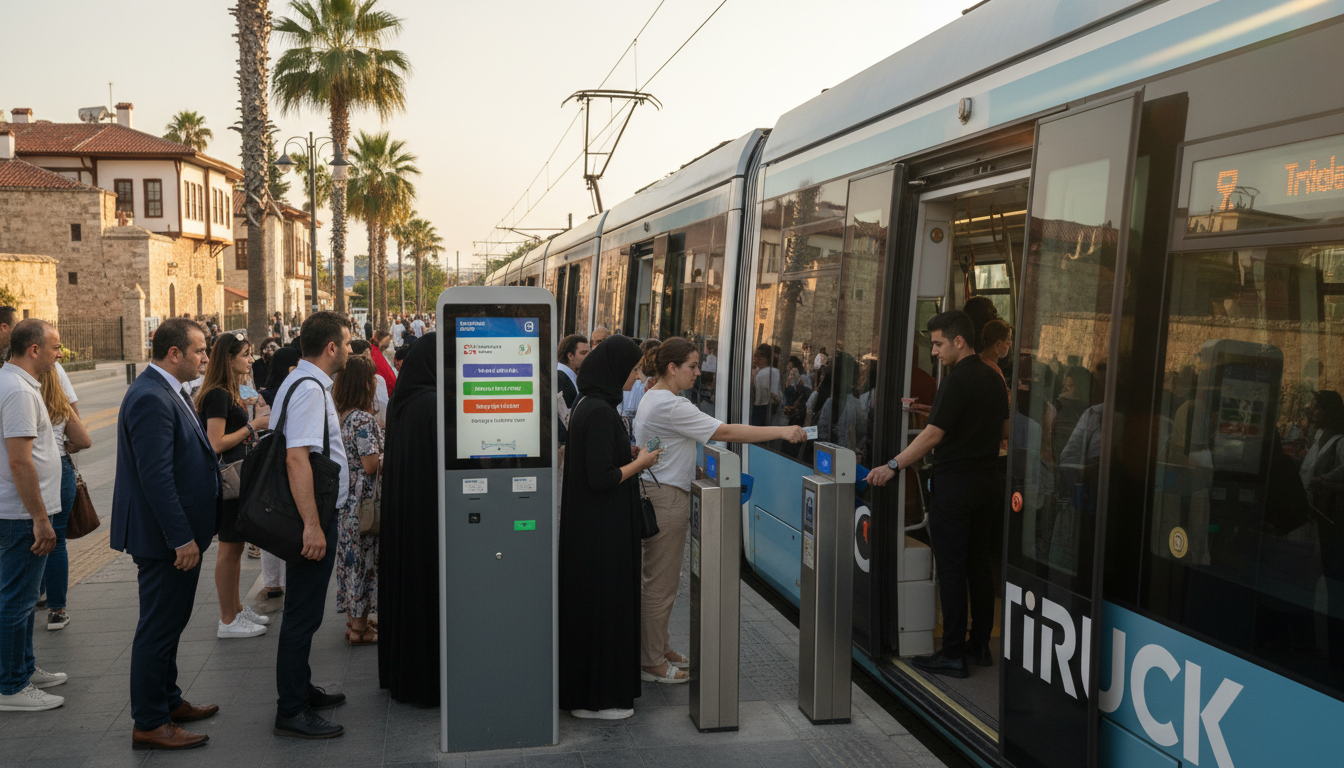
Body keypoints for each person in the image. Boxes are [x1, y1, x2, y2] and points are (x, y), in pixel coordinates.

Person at [633, 338, 806, 683]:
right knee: (661, 584)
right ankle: (651, 660)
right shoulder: (671, 405)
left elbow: (663, 447)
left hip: (657, 491)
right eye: (692, 366)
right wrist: (783, 431)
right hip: (667, 498)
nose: (699, 372)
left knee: (658, 579)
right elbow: (725, 431)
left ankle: (659, 645)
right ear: (672, 368)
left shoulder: (654, 395)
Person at [864, 310, 1008, 678]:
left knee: (951, 568)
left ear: (959, 341)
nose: (935, 352)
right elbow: (995, 425)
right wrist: (936, 412)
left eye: (940, 344)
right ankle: (979, 645)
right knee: (978, 564)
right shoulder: (993, 377)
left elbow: (931, 437)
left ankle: (952, 653)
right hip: (989, 482)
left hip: (956, 485)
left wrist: (892, 466)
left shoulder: (956, 379)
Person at [110, 318, 220, 747]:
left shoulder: (166, 390)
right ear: (174, 353)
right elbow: (155, 476)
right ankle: (150, 721)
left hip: (175, 536)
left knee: (170, 623)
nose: (205, 358)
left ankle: (168, 700)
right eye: (199, 351)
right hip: (164, 540)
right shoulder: (150, 397)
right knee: (157, 628)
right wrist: (180, 537)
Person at [560, 336, 661, 718]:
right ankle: (602, 698)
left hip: (591, 530)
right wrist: (643, 461)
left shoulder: (589, 403)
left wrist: (627, 454)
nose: (637, 376)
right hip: (603, 533)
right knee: (606, 608)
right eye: (634, 369)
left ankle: (586, 695)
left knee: (591, 611)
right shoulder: (601, 412)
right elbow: (602, 478)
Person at [267, 311, 351, 739]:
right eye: (348, 344)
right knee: (302, 616)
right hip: (311, 521)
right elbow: (296, 457)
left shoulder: (303, 383)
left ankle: (300, 688)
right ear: (331, 347)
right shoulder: (308, 390)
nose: (352, 351)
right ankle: (292, 709)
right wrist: (312, 526)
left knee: (306, 612)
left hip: (314, 516)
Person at [0, 320, 67, 713]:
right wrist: (40, 518)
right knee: (17, 601)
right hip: (22, 515)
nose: (61, 354)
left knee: (23, 600)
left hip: (24, 513)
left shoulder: (20, 385)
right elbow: (20, 461)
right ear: (34, 349)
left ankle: (22, 669)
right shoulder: (17, 391)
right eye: (55, 347)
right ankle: (11, 687)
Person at [195, 333, 271, 639]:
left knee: (235, 548)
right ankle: (228, 619)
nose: (251, 360)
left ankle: (237, 609)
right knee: (228, 550)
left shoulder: (225, 391)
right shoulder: (218, 395)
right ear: (229, 359)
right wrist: (254, 425)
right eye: (245, 354)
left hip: (235, 479)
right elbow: (215, 443)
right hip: (228, 480)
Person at [379, 333, 441, 706]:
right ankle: (425, 681)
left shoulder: (404, 401)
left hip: (406, 513)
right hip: (427, 517)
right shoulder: (433, 405)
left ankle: (401, 674)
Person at [332, 355, 382, 646]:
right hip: (363, 505)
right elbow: (371, 464)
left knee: (351, 564)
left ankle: (355, 621)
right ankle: (360, 629)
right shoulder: (362, 419)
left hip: (346, 503)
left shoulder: (341, 414)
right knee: (363, 563)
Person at [37, 364, 91, 632]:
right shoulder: (59, 403)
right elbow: (84, 440)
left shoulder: (19, 397)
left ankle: (36, 591)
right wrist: (64, 445)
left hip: (26, 473)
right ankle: (56, 611)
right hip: (59, 471)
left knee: (29, 536)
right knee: (56, 541)